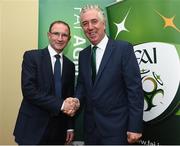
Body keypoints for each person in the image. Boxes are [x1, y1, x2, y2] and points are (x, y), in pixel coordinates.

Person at [66, 5, 144, 145]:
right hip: (90, 131)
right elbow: (82, 86)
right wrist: (77, 100)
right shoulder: (83, 55)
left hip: (117, 130)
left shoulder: (123, 49)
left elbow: (135, 90)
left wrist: (135, 126)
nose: (90, 27)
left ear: (104, 24)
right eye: (85, 24)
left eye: (94, 21)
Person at [13, 20, 77, 145]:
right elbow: (29, 91)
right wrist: (62, 105)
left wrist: (70, 126)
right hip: (32, 128)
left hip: (58, 130)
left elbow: (69, 95)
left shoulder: (70, 65)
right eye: (56, 34)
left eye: (64, 35)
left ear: (69, 39)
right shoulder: (32, 57)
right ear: (49, 35)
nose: (60, 38)